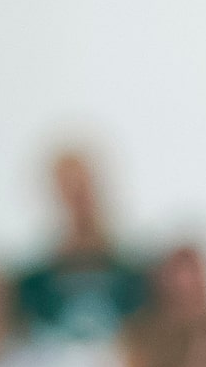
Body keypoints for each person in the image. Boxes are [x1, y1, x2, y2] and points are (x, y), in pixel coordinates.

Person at [12, 148, 150, 347]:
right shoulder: (31, 288)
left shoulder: (139, 277)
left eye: (83, 186)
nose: (77, 198)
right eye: (67, 188)